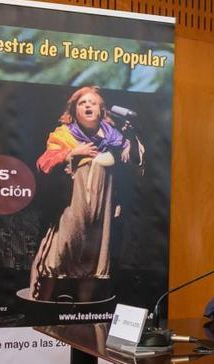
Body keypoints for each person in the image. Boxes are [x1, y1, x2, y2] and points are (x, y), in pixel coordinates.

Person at [29, 86, 143, 302]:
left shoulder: (117, 140)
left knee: (93, 264)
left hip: (101, 213)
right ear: (74, 111)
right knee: (56, 257)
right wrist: (72, 152)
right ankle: (41, 310)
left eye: (93, 103)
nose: (88, 105)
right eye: (82, 103)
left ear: (102, 110)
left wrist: (131, 136)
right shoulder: (63, 135)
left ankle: (84, 316)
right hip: (71, 209)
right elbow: (43, 163)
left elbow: (135, 166)